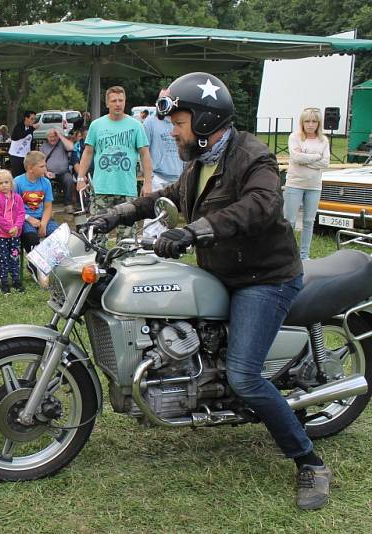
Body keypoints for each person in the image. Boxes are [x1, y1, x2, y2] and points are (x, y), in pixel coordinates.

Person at [91, 72, 329, 511]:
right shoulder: (201, 163)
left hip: (264, 278)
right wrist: (118, 214)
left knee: (245, 376)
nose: (173, 131)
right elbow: (168, 196)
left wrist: (195, 231)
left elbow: (260, 205)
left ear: (203, 122)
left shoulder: (252, 156)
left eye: (179, 123)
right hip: (223, 272)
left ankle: (309, 461)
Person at [76, 86, 152, 242]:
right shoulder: (96, 125)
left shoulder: (136, 125)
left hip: (127, 190)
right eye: (114, 101)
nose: (118, 104)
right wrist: (80, 177)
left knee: (127, 238)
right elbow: (88, 152)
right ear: (107, 103)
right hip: (101, 189)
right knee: (97, 235)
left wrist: (148, 182)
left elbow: (144, 154)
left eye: (121, 100)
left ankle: (124, 264)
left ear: (125, 102)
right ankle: (99, 265)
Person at [283, 108, 330, 260]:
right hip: (295, 184)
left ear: (319, 123)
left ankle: (304, 256)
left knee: (309, 221)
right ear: (302, 122)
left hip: (314, 186)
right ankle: (287, 256)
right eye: (307, 121)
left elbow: (326, 162)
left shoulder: (323, 140)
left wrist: (307, 160)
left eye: (314, 121)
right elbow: (296, 158)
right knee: (289, 221)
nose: (310, 124)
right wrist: (316, 157)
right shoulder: (295, 137)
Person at [142, 88, 185, 238]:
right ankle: (148, 245)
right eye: (161, 100)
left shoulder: (179, 121)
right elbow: (144, 150)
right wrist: (148, 178)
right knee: (153, 215)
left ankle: (165, 245)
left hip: (177, 177)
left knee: (170, 217)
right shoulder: (150, 122)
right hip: (157, 177)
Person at [15, 150, 59, 253]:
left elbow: (48, 206)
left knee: (58, 235)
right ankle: (33, 264)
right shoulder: (17, 182)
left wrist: (43, 224)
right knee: (31, 238)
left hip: (42, 218)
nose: (45, 169)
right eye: (42, 166)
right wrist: (28, 218)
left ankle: (51, 263)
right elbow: (14, 208)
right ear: (31, 168)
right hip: (24, 219)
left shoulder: (46, 183)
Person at [0, 170, 25, 294]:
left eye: (6, 182)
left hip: (15, 234)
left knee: (14, 257)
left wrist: (16, 226)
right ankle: (4, 283)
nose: (4, 185)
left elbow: (21, 213)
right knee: (2, 258)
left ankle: (16, 280)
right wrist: (9, 227)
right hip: (1, 235)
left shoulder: (18, 198)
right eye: (0, 183)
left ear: (11, 183)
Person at [40, 128, 76, 214]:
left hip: (63, 172)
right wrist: (45, 172)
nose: (52, 139)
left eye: (54, 136)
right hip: (48, 172)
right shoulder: (43, 147)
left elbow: (71, 147)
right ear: (47, 137)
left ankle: (68, 205)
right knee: (42, 181)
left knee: (69, 179)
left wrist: (60, 135)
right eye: (50, 137)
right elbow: (41, 162)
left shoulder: (62, 144)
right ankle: (45, 205)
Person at [9, 110, 36, 177]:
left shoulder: (30, 128)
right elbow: (21, 135)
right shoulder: (19, 126)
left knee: (27, 174)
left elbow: (29, 141)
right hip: (16, 155)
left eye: (34, 119)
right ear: (26, 118)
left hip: (26, 155)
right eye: (32, 119)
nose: (34, 121)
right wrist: (32, 129)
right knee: (18, 176)